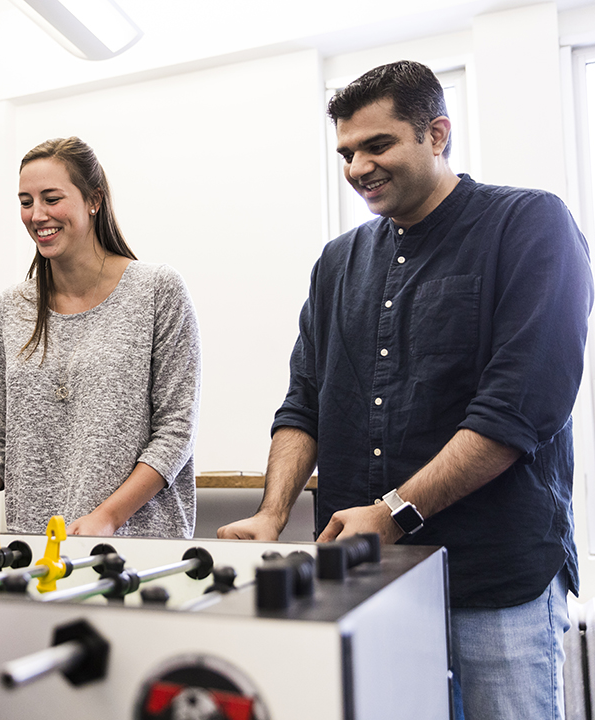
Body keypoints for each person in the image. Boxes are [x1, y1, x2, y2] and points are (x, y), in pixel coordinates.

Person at [217, 60, 593, 720]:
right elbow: (304, 399)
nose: (358, 166)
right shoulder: (338, 262)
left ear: (437, 134)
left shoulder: (529, 224)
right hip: (371, 587)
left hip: (494, 580)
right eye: (346, 152)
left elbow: (518, 409)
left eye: (378, 144)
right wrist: (273, 513)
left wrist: (393, 511)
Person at [0, 137, 201, 538]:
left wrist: (108, 517)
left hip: (136, 545)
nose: (37, 214)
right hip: (34, 548)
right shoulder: (9, 310)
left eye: (51, 198)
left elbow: (175, 432)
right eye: (26, 202)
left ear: (93, 200)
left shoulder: (157, 291)